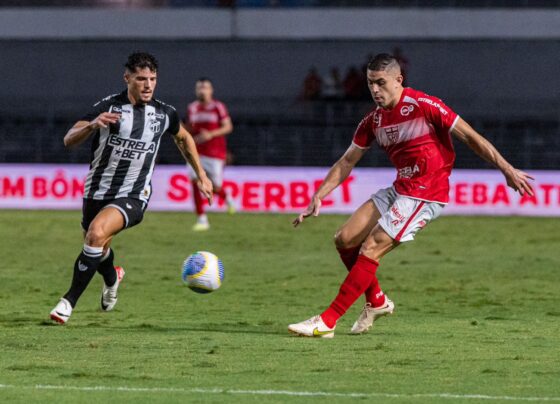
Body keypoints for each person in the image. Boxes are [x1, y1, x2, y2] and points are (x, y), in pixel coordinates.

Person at [288, 53, 534, 338]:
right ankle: (377, 301)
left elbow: (470, 137)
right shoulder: (373, 121)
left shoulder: (424, 105)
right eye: (370, 84)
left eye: (381, 83)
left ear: (398, 80)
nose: (375, 90)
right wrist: (319, 194)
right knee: (344, 239)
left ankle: (327, 321)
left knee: (371, 247)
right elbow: (346, 162)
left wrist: (507, 169)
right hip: (401, 188)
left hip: (427, 193)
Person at [49, 52, 213, 324]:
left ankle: (68, 302)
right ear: (127, 78)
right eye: (141, 79)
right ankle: (113, 278)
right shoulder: (109, 108)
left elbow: (183, 138)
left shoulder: (163, 114)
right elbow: (69, 139)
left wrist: (202, 175)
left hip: (134, 195)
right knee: (97, 246)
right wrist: (92, 125)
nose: (148, 85)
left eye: (153, 79)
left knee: (96, 233)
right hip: (96, 192)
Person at [184, 78, 235, 231]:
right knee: (195, 182)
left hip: (215, 153)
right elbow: (189, 128)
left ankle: (227, 197)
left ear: (211, 90)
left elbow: (228, 127)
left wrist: (211, 134)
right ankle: (202, 219)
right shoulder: (192, 108)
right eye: (199, 87)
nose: (202, 90)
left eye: (205, 87)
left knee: (215, 186)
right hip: (197, 153)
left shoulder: (218, 107)